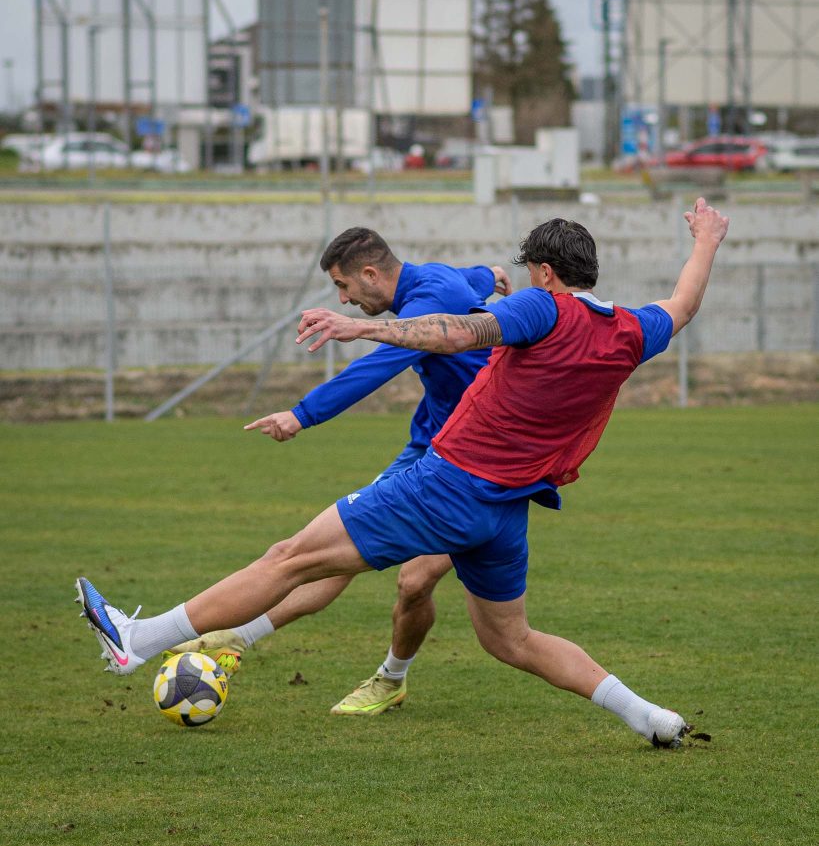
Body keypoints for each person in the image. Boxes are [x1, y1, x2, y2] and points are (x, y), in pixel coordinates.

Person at [76, 197, 729, 749]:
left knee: (290, 558)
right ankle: (650, 716)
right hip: (506, 510)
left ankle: (138, 639)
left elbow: (455, 333)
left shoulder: (542, 307)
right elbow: (683, 303)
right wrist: (705, 241)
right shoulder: (631, 329)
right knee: (513, 640)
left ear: (545, 272)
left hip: (446, 485)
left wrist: (362, 331)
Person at [168, 226, 513, 715]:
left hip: (477, 464)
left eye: (343, 286)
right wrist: (492, 273)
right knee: (337, 548)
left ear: (370, 274)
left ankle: (391, 678)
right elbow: (472, 278)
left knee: (414, 583)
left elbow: (373, 370)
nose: (344, 300)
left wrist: (301, 414)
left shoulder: (427, 304)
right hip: (428, 447)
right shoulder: (436, 280)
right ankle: (239, 635)